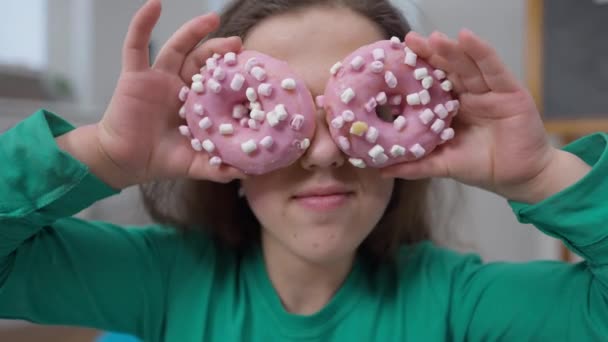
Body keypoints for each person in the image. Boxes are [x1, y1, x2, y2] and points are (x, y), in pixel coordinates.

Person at [1, 0, 606, 340]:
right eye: (277, 117)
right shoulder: (160, 282)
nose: (322, 153)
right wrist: (103, 154)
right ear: (222, 146)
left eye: (361, 117)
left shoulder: (459, 303)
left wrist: (540, 174)